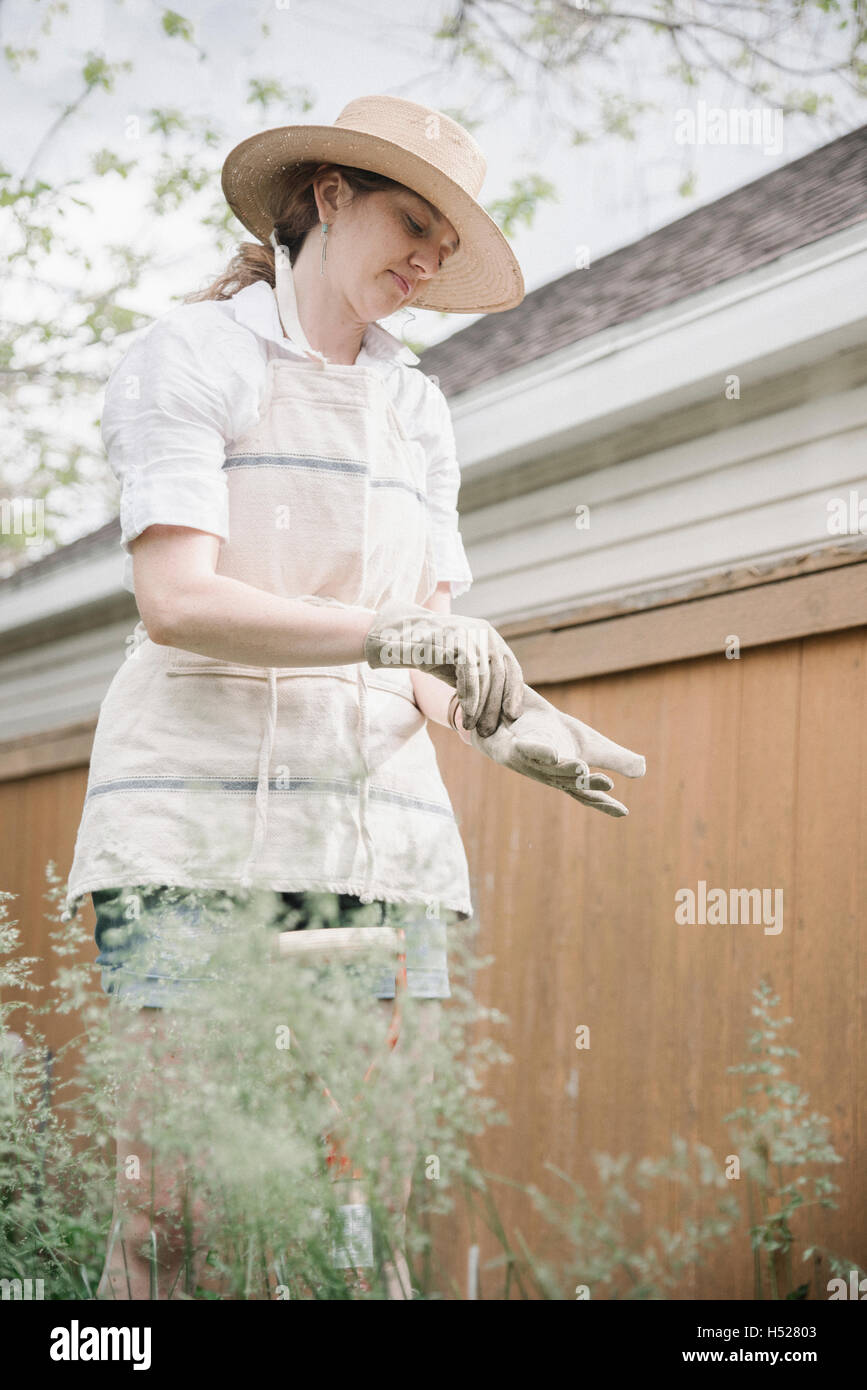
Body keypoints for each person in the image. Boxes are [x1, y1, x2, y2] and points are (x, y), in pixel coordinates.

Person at [61, 95, 645, 1299]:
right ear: (327, 195)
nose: (428, 257)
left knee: (351, 1210)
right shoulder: (193, 354)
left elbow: (427, 657)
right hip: (193, 836)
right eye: (410, 218)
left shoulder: (417, 405)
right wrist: (394, 634)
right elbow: (178, 598)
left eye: (448, 241)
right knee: (175, 1210)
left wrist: (514, 723)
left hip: (377, 843)